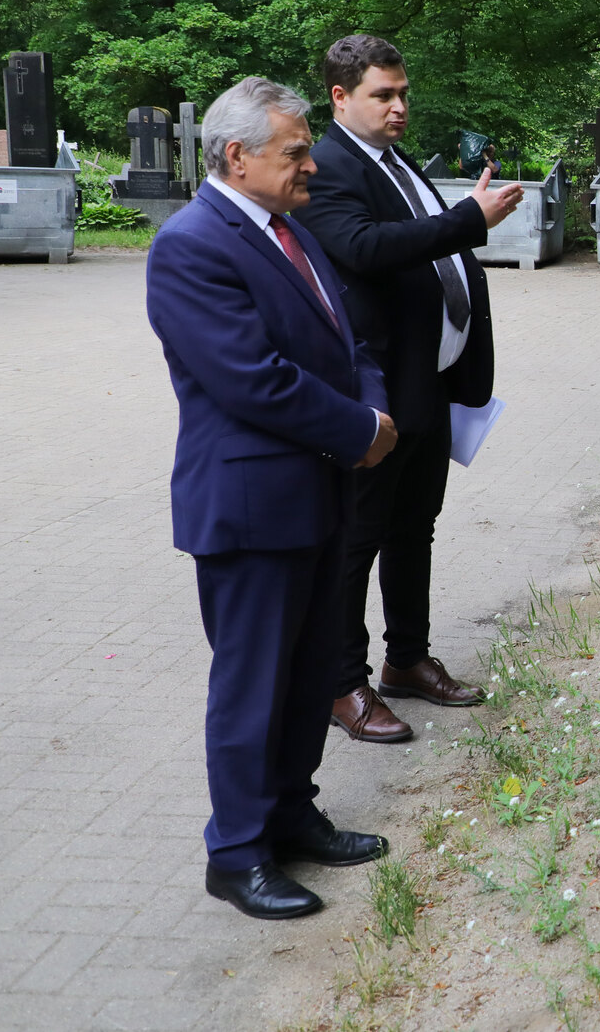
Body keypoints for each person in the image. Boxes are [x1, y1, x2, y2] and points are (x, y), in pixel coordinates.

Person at [145, 76, 397, 920]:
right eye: (295, 151)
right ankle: (238, 852)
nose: (311, 165)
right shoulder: (190, 246)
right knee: (253, 686)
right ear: (236, 156)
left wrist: (373, 410)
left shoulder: (290, 228)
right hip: (252, 509)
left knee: (309, 671)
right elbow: (252, 379)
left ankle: (291, 813)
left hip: (318, 493)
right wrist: (358, 428)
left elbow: (350, 339)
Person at [292, 35, 524, 744]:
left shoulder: (394, 162)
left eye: (403, 94)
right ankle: (342, 683)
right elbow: (365, 248)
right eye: (382, 95)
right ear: (340, 97)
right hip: (379, 389)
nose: (399, 107)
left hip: (429, 380)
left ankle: (407, 659)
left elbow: (427, 250)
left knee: (414, 526)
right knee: (359, 537)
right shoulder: (328, 166)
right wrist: (469, 219)